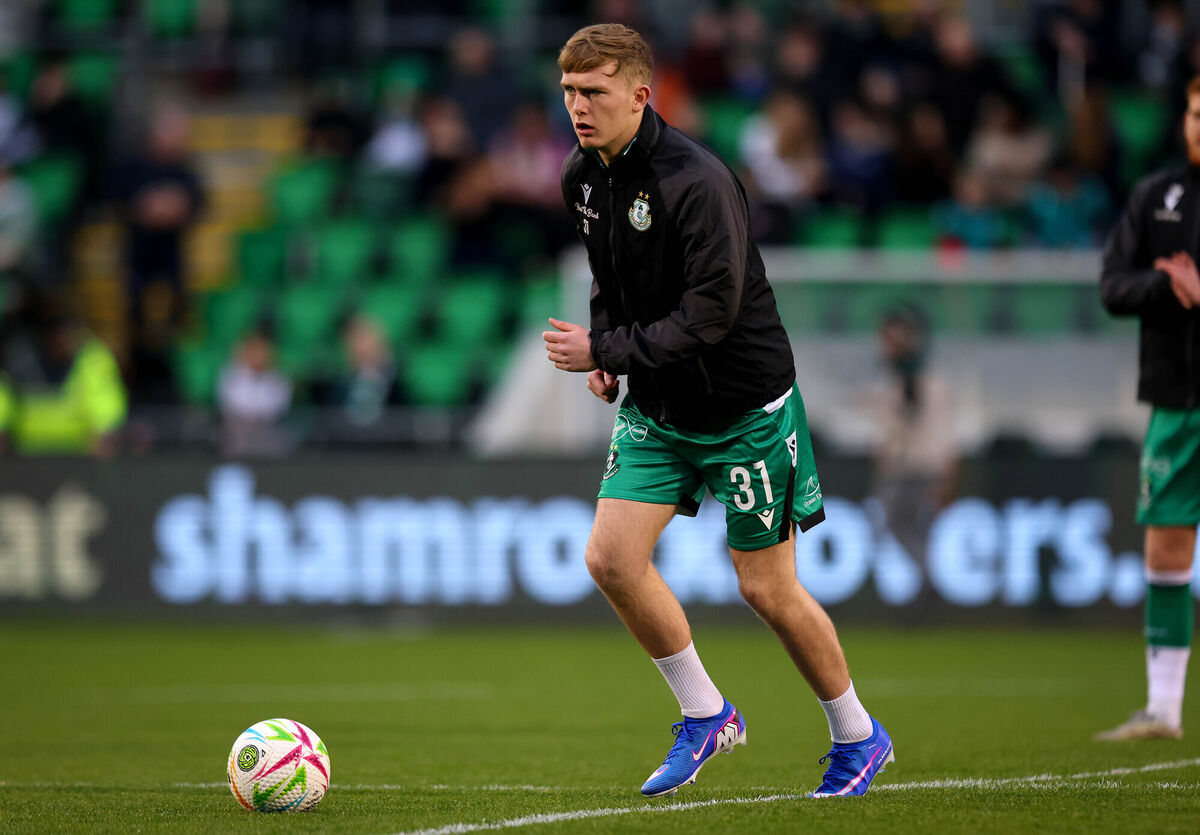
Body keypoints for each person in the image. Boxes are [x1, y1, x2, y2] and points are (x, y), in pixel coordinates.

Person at [543, 24, 893, 799]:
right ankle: (706, 713)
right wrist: (608, 355)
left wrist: (610, 346)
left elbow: (711, 315)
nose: (578, 107)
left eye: (594, 91)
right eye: (568, 92)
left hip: (744, 409)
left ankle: (858, 733)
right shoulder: (581, 176)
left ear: (641, 95)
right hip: (661, 407)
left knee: (766, 588)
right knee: (609, 559)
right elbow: (612, 278)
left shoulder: (697, 180)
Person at [1096, 75, 1200, 741]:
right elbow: (1112, 286)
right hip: (1175, 399)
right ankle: (1163, 708)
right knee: (1165, 545)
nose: (1198, 125)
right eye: (1194, 113)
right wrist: (1166, 283)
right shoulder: (1157, 196)